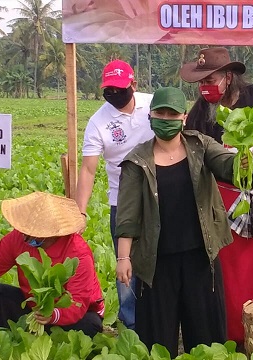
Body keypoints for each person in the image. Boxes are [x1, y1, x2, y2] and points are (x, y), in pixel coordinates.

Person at [179, 47, 253, 345]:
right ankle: (234, 336)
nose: (204, 86)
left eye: (211, 78)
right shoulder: (199, 115)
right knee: (233, 275)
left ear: (228, 77)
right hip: (226, 201)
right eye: (200, 81)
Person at [115, 87, 242, 355]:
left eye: (172, 114)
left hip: (200, 257)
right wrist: (123, 258)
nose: (166, 118)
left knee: (207, 337)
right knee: (157, 340)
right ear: (150, 116)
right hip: (156, 263)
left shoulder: (201, 146)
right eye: (160, 113)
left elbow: (228, 166)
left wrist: (243, 156)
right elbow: (127, 216)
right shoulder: (137, 161)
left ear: (184, 118)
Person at [0, 192, 104, 336]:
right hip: (34, 308)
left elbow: (78, 303)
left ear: (54, 232)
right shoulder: (18, 238)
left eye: (34, 233)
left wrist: (53, 315)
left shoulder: (78, 253)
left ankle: (36, 334)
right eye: (25, 229)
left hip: (70, 314)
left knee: (90, 325)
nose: (26, 236)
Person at [75, 59, 153, 330]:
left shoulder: (153, 105)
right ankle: (131, 325)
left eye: (120, 88)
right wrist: (80, 211)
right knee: (126, 267)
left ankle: (161, 318)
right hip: (123, 202)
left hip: (158, 197)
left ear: (134, 85)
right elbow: (88, 169)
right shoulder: (98, 122)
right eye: (108, 90)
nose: (114, 95)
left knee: (161, 261)